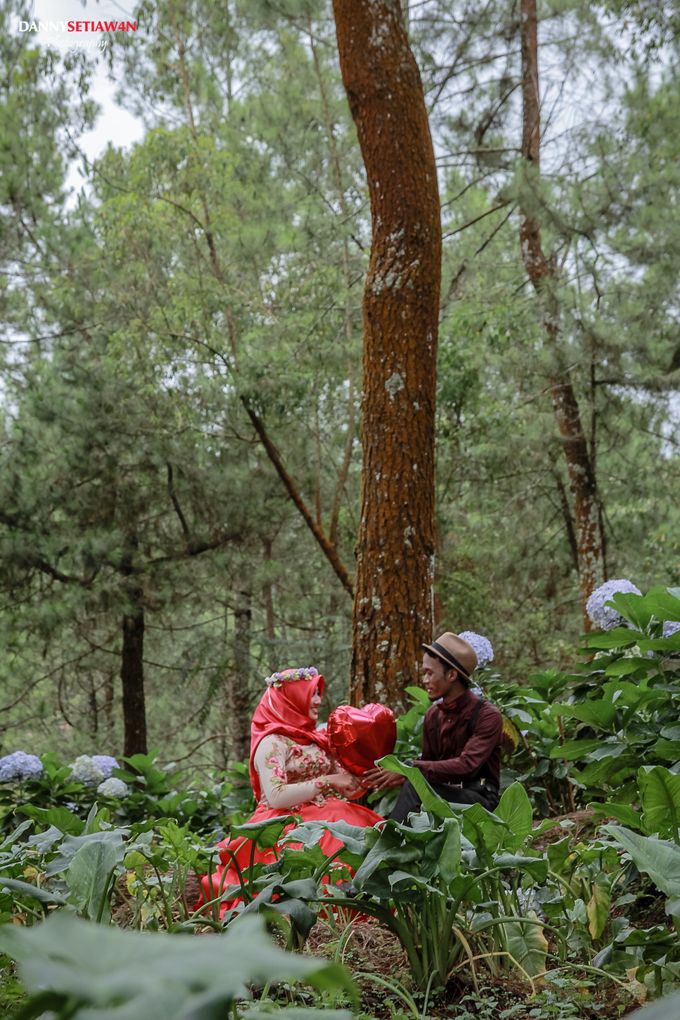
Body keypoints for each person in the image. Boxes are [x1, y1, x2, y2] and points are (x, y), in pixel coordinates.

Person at [198, 666, 383, 914]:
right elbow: (276, 796)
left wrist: (355, 783)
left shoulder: (315, 737)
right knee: (327, 848)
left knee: (363, 837)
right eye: (311, 694)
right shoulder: (272, 742)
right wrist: (329, 781)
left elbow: (342, 783)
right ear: (291, 698)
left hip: (332, 812)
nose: (318, 700)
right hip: (285, 821)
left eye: (318, 693)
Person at [364, 632, 503, 822]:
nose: (425, 680)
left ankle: (388, 844)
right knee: (413, 786)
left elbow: (467, 766)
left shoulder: (487, 715)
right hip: (443, 795)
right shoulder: (433, 715)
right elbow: (430, 768)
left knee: (415, 788)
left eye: (430, 673)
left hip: (479, 801)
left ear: (452, 674)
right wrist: (401, 773)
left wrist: (409, 769)